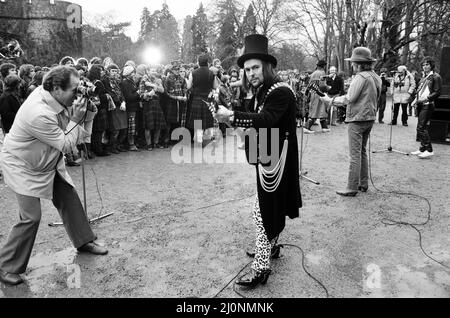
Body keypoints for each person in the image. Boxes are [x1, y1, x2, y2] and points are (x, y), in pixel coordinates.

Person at [0, 66, 108, 286]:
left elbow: (77, 136)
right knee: (31, 216)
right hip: (22, 165)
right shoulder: (38, 112)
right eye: (73, 90)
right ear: (57, 88)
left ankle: (84, 240)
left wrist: (88, 113)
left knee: (67, 194)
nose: (77, 95)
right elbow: (68, 145)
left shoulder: (57, 97)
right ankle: (6, 265)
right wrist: (77, 118)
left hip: (46, 158)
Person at [215, 34, 301, 287]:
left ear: (267, 66)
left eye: (255, 67)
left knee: (261, 211)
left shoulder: (280, 91)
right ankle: (272, 246)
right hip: (268, 156)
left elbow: (265, 120)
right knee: (268, 207)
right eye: (247, 69)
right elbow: (254, 120)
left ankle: (262, 267)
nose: (250, 73)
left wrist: (231, 115)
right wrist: (230, 118)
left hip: (278, 159)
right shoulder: (262, 91)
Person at [320, 47, 381, 197]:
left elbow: (349, 98)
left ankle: (351, 187)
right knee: (361, 151)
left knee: (355, 154)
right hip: (370, 117)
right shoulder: (375, 76)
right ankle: (363, 183)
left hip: (358, 118)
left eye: (353, 63)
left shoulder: (360, 77)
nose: (352, 66)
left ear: (359, 64)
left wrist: (330, 100)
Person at [410, 57, 442, 159]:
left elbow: (437, 92)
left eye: (427, 64)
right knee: (420, 127)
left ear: (431, 65)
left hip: (428, 104)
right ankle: (422, 148)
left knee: (421, 128)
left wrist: (426, 99)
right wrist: (415, 101)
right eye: (423, 65)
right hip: (420, 104)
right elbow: (420, 91)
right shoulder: (424, 77)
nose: (425, 66)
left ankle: (429, 150)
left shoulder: (436, 77)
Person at [186, 54, 219, 145]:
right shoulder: (211, 73)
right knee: (206, 120)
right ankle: (206, 138)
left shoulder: (193, 72)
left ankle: (198, 139)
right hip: (207, 99)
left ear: (198, 62)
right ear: (207, 63)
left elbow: (188, 86)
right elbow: (216, 86)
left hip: (196, 99)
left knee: (197, 120)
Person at [304, 60, 330, 134]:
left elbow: (309, 84)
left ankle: (324, 127)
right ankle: (307, 127)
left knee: (321, 110)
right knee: (315, 111)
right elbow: (322, 85)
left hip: (313, 93)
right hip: (319, 93)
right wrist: (328, 88)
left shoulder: (313, 73)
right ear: (323, 66)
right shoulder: (322, 73)